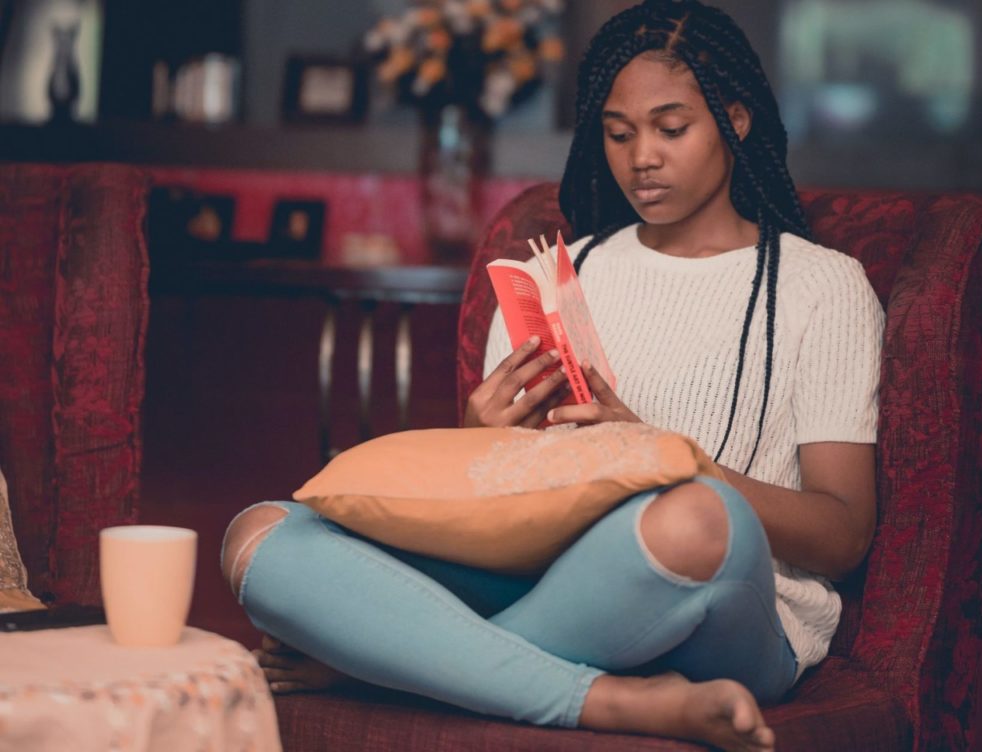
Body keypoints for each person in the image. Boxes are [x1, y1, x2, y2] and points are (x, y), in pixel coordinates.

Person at [220, 1, 884, 750]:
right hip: (550, 580)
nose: (642, 159)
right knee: (263, 539)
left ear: (736, 119)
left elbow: (843, 532)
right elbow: (510, 512)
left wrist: (663, 455)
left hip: (727, 598)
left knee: (697, 516)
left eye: (672, 129)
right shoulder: (556, 276)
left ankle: (390, 659)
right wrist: (477, 444)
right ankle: (609, 700)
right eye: (618, 132)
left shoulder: (823, 287)